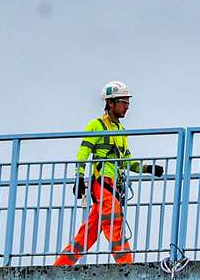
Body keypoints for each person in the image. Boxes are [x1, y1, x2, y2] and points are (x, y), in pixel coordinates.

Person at [54, 81, 165, 267]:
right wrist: (79, 177)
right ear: (111, 103)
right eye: (123, 102)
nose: (127, 106)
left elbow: (126, 161)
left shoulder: (121, 131)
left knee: (88, 232)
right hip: (103, 184)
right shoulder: (96, 126)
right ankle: (126, 267)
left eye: (128, 102)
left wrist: (147, 169)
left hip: (114, 186)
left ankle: (60, 267)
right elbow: (83, 153)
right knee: (114, 222)